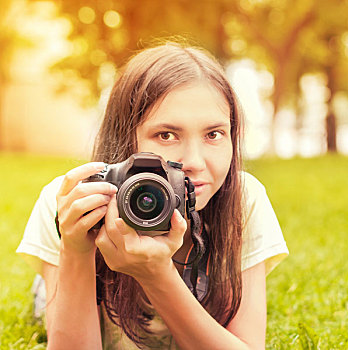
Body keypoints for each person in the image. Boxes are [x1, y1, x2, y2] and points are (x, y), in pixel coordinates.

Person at [17, 42, 288, 349]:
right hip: (66, 279)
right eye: (166, 135)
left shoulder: (241, 200)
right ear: (125, 139)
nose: (195, 162)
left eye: (213, 134)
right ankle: (45, 285)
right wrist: (77, 251)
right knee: (45, 300)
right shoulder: (72, 200)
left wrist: (157, 275)